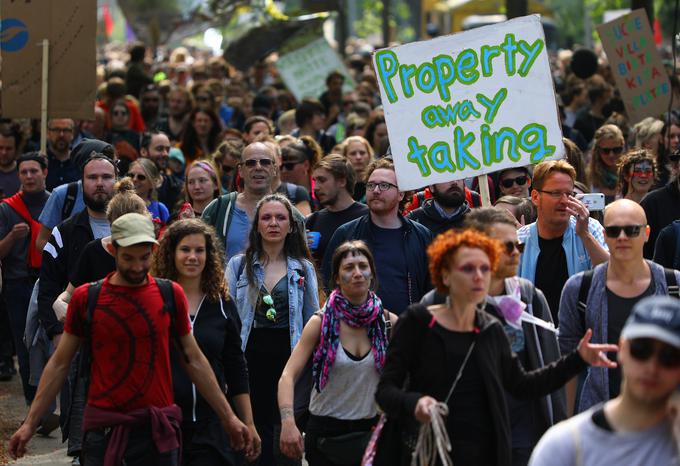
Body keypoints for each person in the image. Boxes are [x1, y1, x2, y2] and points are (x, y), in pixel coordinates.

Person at [8, 213, 254, 464]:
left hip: (156, 432)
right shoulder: (87, 298)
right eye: (128, 258)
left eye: (144, 258)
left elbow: (195, 360)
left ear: (154, 250)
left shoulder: (169, 295)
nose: (137, 267)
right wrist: (30, 424)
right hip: (104, 432)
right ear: (113, 250)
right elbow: (60, 363)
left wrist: (230, 417)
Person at [375, 229, 617, 466]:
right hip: (428, 451)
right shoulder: (417, 322)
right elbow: (385, 392)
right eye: (468, 269)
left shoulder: (490, 329)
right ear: (445, 275)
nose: (479, 276)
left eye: (485, 268)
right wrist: (415, 403)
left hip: (486, 454)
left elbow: (522, 385)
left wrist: (577, 358)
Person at [278, 240, 398, 465]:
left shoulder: (388, 323)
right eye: (349, 268)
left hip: (371, 433)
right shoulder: (320, 323)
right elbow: (288, 376)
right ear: (336, 278)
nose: (357, 273)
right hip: (325, 434)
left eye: (363, 266)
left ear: (372, 273)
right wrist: (288, 422)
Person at [153, 219, 261, 465]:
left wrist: (248, 422)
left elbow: (236, 367)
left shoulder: (222, 304)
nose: (192, 257)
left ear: (209, 255)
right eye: (185, 250)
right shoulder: (155, 300)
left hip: (211, 424)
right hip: (163, 422)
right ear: (171, 253)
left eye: (199, 250)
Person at [559, 199, 680, 414]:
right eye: (614, 231)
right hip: (600, 418)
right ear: (605, 236)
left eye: (632, 230)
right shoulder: (579, 288)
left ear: (647, 233)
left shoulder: (674, 285)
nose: (622, 237)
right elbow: (566, 362)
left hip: (665, 421)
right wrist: (565, 420)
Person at [529, 295, 680, 466]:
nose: (652, 367)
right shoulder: (564, 446)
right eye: (641, 350)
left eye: (669, 357)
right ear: (622, 349)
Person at [226, 194, 319, 466]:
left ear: (291, 226)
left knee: (284, 442)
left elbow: (312, 319)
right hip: (248, 361)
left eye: (281, 218)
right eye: (266, 217)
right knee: (251, 441)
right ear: (257, 225)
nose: (274, 223)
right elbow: (227, 318)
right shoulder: (238, 265)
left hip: (288, 363)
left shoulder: (303, 268)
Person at [323, 158, 433, 315]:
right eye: (371, 185)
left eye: (384, 185)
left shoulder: (421, 236)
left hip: (407, 331)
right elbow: (329, 283)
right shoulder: (346, 233)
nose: (375, 190)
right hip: (358, 329)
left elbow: (431, 289)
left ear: (401, 194)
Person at [518, 159, 609, 324]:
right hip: (537, 340)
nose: (564, 200)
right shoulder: (519, 241)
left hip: (582, 338)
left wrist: (585, 235)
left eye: (569, 194)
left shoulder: (590, 228)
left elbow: (612, 274)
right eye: (556, 193)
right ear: (536, 197)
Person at [202, 141, 305, 262]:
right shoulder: (219, 209)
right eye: (251, 163)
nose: (258, 167)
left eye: (265, 162)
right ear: (240, 170)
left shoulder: (292, 216)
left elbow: (301, 264)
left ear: (275, 169)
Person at [0, 153, 49, 405]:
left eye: (34, 171)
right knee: (25, 343)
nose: (29, 176)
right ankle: (33, 401)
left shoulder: (55, 204)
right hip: (18, 284)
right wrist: (10, 237)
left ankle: (50, 398)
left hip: (49, 282)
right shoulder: (7, 209)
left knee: (53, 342)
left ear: (45, 173)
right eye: (24, 172)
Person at [306, 155, 368, 266]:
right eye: (315, 181)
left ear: (342, 181)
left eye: (322, 180)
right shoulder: (313, 220)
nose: (316, 187)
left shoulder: (367, 216)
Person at [406, 179, 471, 235]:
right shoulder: (413, 223)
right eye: (446, 177)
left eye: (458, 177)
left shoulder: (477, 221)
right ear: (432, 187)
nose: (454, 182)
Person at [588, 124, 626, 204]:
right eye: (606, 151)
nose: (611, 155)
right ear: (598, 151)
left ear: (622, 148)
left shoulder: (629, 174)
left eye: (616, 150)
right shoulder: (589, 177)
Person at [280, 137, 321, 209]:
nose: (283, 170)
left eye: (289, 166)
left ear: (306, 165)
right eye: (281, 166)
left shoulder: (320, 190)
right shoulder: (277, 194)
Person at [128, 158, 170, 225]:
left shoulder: (161, 209)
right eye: (131, 175)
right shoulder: (120, 205)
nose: (134, 179)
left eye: (141, 177)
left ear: (152, 183)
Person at [45, 118, 77, 191]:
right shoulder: (41, 161)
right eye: (56, 130)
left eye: (66, 130)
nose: (61, 135)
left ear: (72, 134)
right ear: (48, 133)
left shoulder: (79, 163)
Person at [341, 136, 374, 201]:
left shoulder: (377, 183)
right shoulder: (340, 185)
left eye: (362, 153)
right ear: (344, 157)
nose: (358, 157)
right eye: (353, 153)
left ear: (369, 155)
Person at [0, 126, 22, 199]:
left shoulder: (24, 174)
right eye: (0, 148)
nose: (4, 152)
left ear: (16, 150)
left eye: (8, 148)